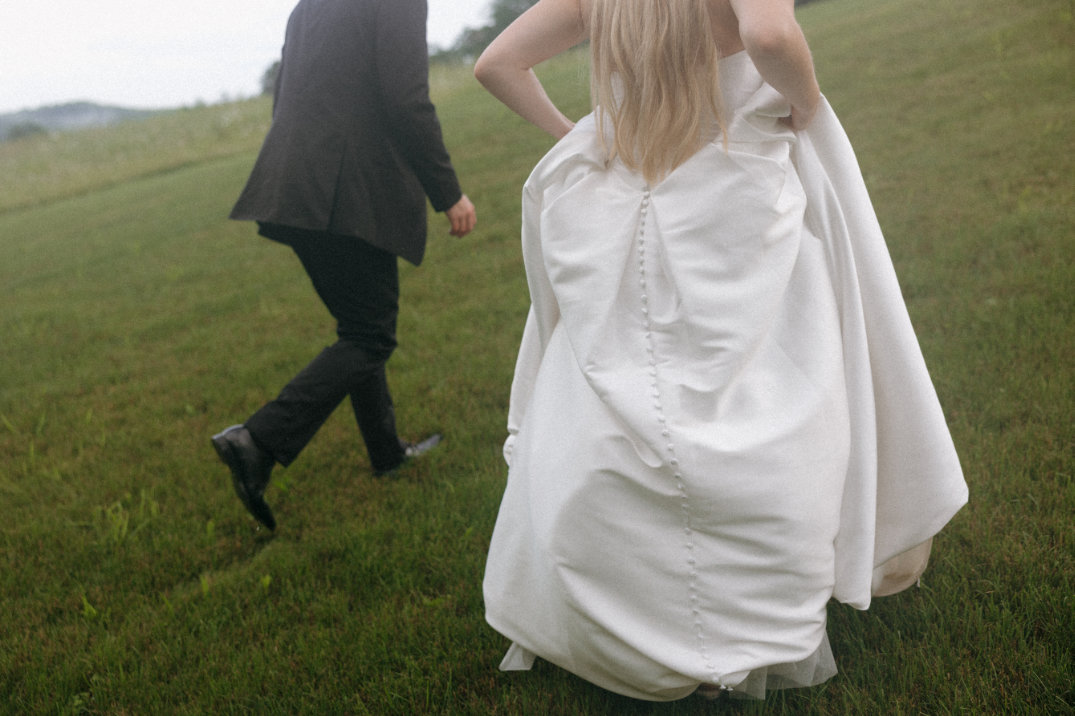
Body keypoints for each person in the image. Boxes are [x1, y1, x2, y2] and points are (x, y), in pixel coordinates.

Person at [475, 0, 967, 701]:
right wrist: (803, 102)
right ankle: (753, 601)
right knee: (768, 387)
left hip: (627, 187)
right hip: (734, 186)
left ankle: (637, 613)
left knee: (617, 396)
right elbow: (767, 32)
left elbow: (496, 64)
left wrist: (581, 134)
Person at [212, 0, 476, 532]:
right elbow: (406, 100)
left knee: (357, 327)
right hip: (346, 189)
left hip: (293, 186)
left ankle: (386, 454)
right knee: (370, 337)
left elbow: (284, 97)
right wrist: (447, 193)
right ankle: (257, 440)